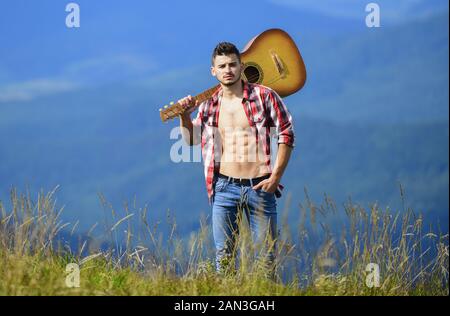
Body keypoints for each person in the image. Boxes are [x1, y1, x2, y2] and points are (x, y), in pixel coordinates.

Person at [177, 42, 295, 277]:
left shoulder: (264, 96)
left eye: (232, 64)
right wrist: (184, 116)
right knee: (224, 261)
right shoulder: (209, 104)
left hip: (260, 186)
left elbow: (286, 132)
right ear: (214, 71)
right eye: (222, 66)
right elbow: (191, 140)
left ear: (242, 66)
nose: (228, 69)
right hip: (223, 187)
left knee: (266, 262)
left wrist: (276, 177)